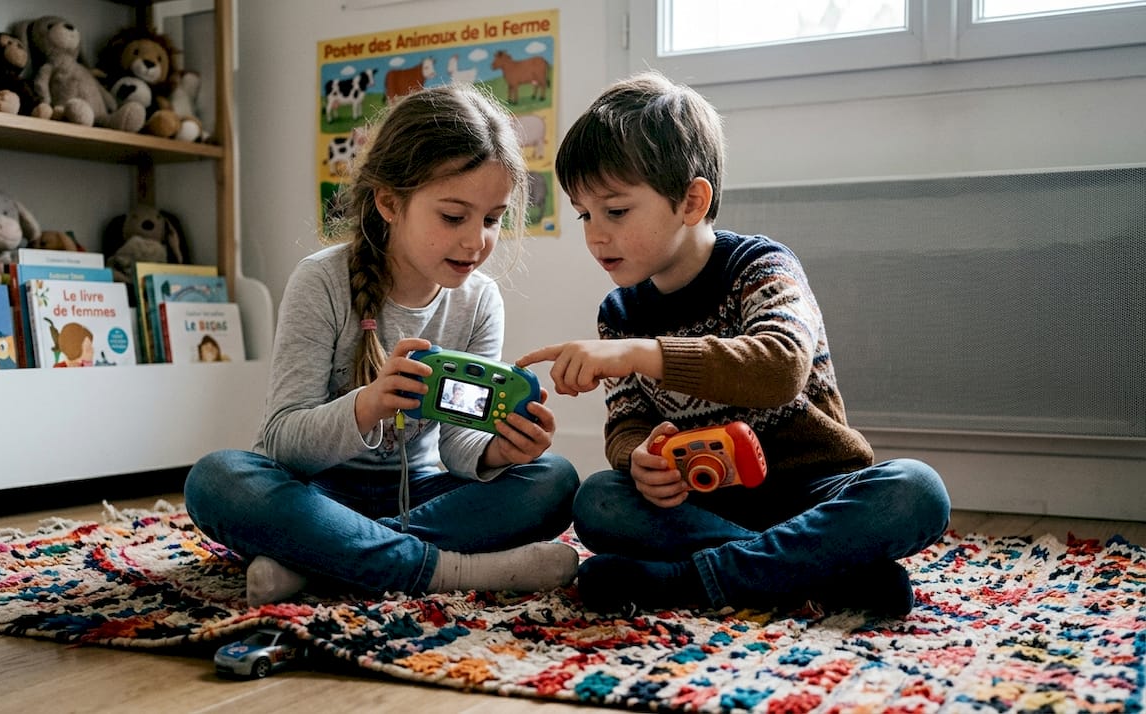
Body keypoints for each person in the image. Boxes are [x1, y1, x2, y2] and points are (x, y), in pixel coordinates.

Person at [516, 72, 951, 617]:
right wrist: (641, 458)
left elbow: (780, 368)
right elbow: (626, 425)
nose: (595, 234)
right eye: (584, 214)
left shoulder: (762, 267)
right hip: (706, 506)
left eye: (616, 211)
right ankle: (816, 573)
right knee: (599, 500)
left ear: (692, 201)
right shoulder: (620, 313)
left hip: (811, 493)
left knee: (918, 490)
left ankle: (693, 581)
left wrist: (640, 353)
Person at [185, 83, 580, 607]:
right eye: (453, 216)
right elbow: (282, 440)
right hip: (315, 492)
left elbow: (457, 446)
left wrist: (496, 451)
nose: (475, 241)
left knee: (553, 480)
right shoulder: (321, 281)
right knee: (217, 479)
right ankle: (444, 569)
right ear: (390, 202)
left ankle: (320, 560)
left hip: (417, 497)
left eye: (492, 219)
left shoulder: (480, 301)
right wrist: (368, 405)